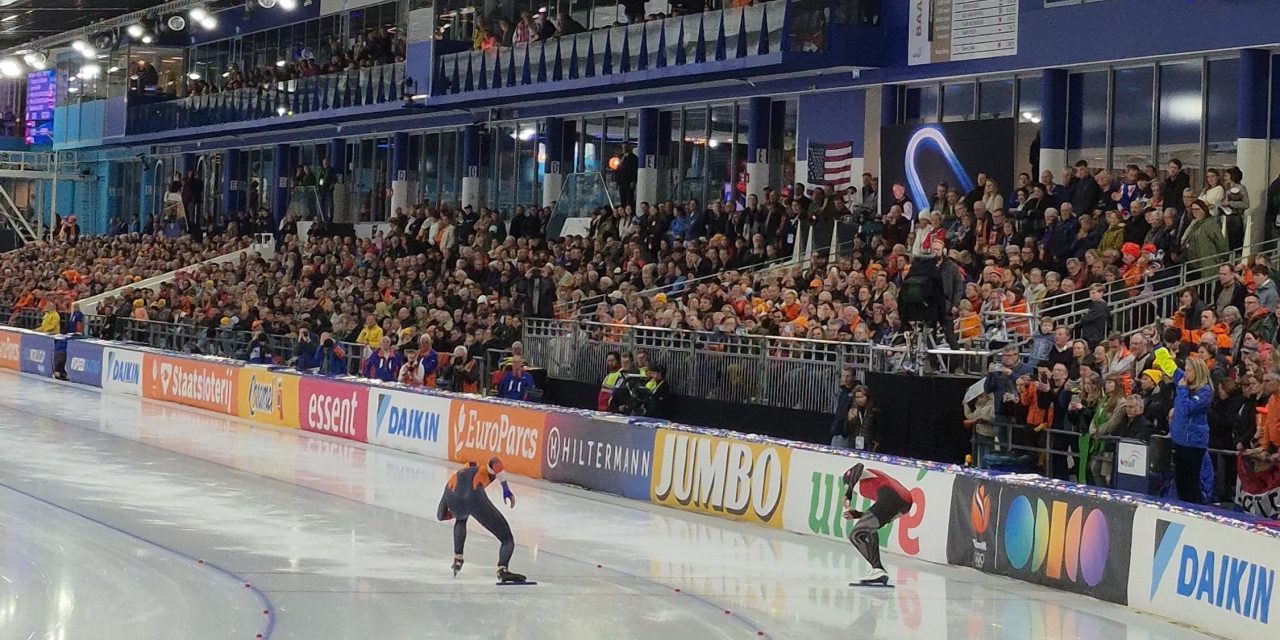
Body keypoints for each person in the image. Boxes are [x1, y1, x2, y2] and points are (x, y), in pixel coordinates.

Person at [436, 457, 525, 584]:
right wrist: (506, 489)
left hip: (452, 497)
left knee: (461, 518)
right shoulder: (482, 470)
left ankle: (458, 557)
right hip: (474, 498)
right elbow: (495, 462)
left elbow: (440, 515)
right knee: (507, 539)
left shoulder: (454, 478)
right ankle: (502, 569)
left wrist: (454, 513)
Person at [841, 463, 914, 585]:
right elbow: (884, 513)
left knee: (856, 534)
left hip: (891, 495)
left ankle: (878, 569)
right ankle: (877, 570)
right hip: (904, 503)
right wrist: (859, 514)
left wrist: (847, 492)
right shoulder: (869, 491)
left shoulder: (867, 476)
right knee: (870, 531)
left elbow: (858, 467)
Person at [1159, 349, 1211, 504]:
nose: (1185, 373)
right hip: (1179, 440)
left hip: (1193, 443)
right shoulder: (1184, 381)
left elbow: (1186, 409)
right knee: (1180, 482)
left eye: (1189, 371)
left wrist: (1181, 390)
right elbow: (1170, 367)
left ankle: (1196, 512)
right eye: (1186, 370)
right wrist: (1157, 346)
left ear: (1197, 371)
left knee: (1191, 483)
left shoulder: (1205, 391)